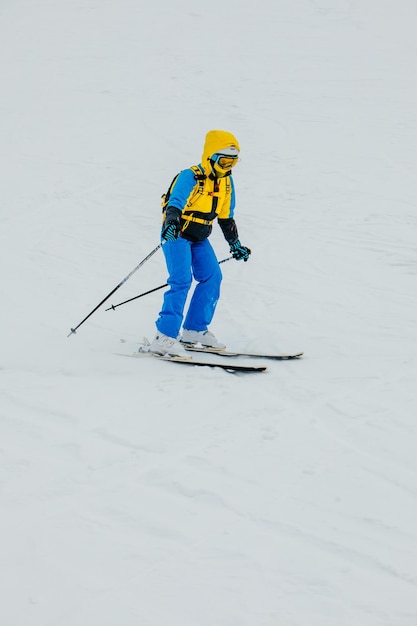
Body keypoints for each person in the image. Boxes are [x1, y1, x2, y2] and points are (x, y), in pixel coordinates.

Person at [149, 129, 251, 357]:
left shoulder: (226, 183)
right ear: (211, 157)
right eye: (224, 161)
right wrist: (172, 223)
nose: (228, 167)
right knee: (181, 280)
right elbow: (175, 203)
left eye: (233, 162)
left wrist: (235, 244)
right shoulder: (190, 176)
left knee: (212, 276)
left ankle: (194, 330)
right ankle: (163, 336)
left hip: (199, 236)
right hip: (177, 233)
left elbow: (226, 217)